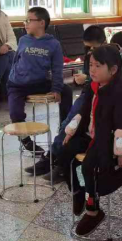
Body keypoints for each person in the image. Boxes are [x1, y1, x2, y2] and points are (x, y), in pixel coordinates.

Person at [60, 44, 122, 236]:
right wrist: (71, 131)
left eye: (97, 66)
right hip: (90, 135)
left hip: (108, 140)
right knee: (64, 152)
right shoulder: (93, 87)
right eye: (91, 65)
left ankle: (93, 210)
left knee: (89, 167)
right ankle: (78, 191)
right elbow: (83, 112)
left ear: (113, 69)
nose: (92, 70)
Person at [25, 25, 106, 179]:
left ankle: (54, 161)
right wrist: (82, 79)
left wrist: (87, 79)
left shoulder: (109, 57)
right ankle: (54, 159)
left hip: (100, 96)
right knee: (67, 123)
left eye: (93, 47)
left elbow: (107, 81)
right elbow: (88, 79)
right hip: (88, 94)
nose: (90, 51)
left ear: (103, 43)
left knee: (71, 125)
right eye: (87, 47)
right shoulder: (90, 55)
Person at [6, 6, 72, 153]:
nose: (26, 23)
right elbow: (16, 61)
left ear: (41, 23)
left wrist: (56, 89)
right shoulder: (23, 40)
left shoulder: (53, 44)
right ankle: (25, 140)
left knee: (66, 91)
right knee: (15, 113)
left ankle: (65, 129)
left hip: (39, 82)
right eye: (25, 20)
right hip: (17, 84)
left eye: (29, 20)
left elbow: (57, 69)